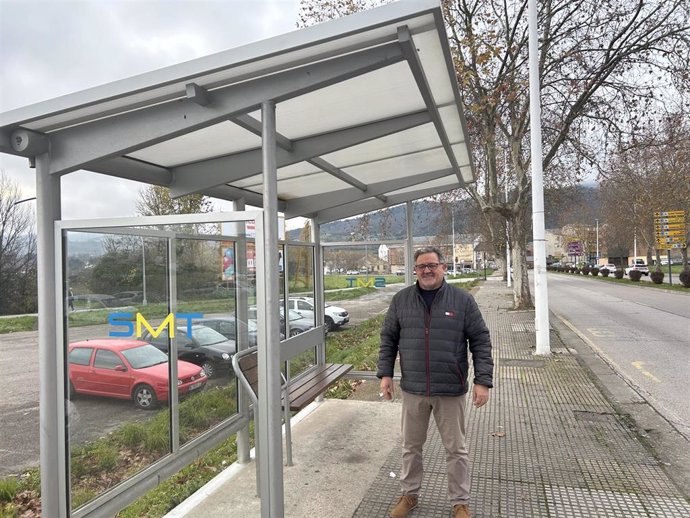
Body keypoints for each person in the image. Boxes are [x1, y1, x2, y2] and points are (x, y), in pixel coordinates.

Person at [377, 247, 493, 518]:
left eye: (432, 265)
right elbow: (388, 340)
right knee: (410, 447)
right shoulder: (401, 300)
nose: (427, 270)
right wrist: (385, 375)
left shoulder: (462, 301)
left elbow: (481, 340)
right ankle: (409, 495)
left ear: (443, 267)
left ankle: (460, 503)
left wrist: (482, 381)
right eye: (421, 266)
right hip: (413, 388)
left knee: (456, 449)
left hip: (450, 390)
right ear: (414, 270)